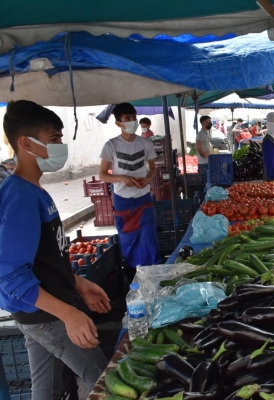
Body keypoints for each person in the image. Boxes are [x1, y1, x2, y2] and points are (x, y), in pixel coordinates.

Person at [0, 100, 110, 399]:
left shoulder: (33, 190)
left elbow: (46, 258)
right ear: (26, 143)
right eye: (55, 139)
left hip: (40, 312)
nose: (62, 147)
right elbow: (10, 275)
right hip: (47, 314)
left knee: (45, 389)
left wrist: (78, 282)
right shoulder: (20, 197)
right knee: (107, 383)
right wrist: (68, 315)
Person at [99, 103, 160, 280]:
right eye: (128, 119)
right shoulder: (111, 145)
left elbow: (152, 169)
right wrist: (121, 178)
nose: (132, 121)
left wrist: (147, 179)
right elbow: (103, 175)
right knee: (129, 240)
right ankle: (132, 276)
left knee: (149, 238)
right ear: (119, 123)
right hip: (122, 200)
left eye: (134, 117)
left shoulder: (145, 143)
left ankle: (153, 274)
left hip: (143, 198)